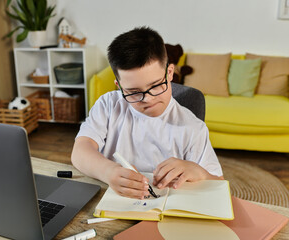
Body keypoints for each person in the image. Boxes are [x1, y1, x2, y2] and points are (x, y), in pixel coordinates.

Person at [71, 26, 224, 200]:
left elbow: (219, 184)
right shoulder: (108, 105)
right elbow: (80, 151)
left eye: (156, 85)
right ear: (119, 86)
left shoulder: (193, 128)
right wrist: (108, 171)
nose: (148, 99)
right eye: (134, 92)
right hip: (113, 203)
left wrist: (199, 172)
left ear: (170, 73)